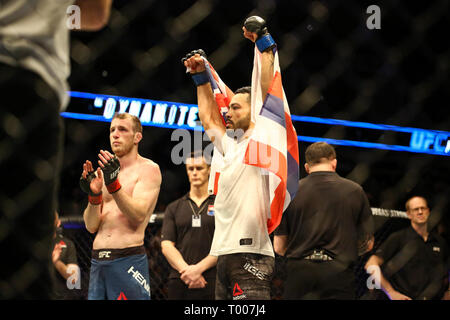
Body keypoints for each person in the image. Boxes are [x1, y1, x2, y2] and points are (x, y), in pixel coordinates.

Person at [0, 0, 112, 299]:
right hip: (26, 77)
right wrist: (44, 15)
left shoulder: (67, 245)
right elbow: (94, 13)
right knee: (22, 263)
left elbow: (74, 274)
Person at [182, 17, 280, 300]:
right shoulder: (230, 146)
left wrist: (263, 42)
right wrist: (200, 78)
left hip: (251, 252)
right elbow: (208, 118)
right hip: (224, 253)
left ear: (253, 110)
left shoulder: (263, 138)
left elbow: (267, 88)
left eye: (236, 107)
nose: (228, 111)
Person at [274, 142, 374, 300]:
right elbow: (368, 243)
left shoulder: (291, 192)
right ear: (334, 162)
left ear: (307, 167)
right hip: (339, 271)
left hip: (299, 272)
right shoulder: (355, 191)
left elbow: (279, 246)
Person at [80, 112, 161, 300]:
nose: (115, 134)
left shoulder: (148, 169)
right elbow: (91, 225)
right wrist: (94, 195)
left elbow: (138, 215)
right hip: (98, 260)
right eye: (112, 130)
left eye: (122, 129)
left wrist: (114, 185)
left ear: (137, 137)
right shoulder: (102, 172)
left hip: (128, 260)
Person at [365, 196, 450, 300]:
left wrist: (448, 292)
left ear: (428, 211)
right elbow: (371, 264)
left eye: (423, 208)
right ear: (409, 214)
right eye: (415, 209)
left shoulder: (440, 242)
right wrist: (391, 292)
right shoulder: (398, 238)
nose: (420, 212)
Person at [161, 151, 217, 300]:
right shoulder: (174, 207)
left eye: (199, 168)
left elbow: (225, 244)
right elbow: (166, 245)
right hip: (180, 278)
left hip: (212, 278)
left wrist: (198, 269)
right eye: (190, 169)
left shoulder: (221, 205)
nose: (194, 173)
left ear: (209, 169)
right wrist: (187, 271)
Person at [51, 212, 80, 300]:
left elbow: (73, 279)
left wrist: (56, 262)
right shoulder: (35, 243)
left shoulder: (67, 244)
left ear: (58, 222)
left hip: (59, 296)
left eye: (52, 219)